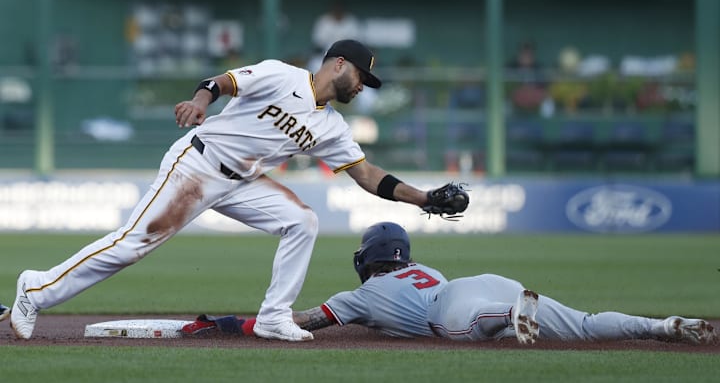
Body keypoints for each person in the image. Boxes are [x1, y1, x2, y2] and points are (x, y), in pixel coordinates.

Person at [7, 40, 467, 342]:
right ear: (339, 63)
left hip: (242, 181)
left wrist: (425, 198)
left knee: (301, 220)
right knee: (131, 246)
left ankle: (273, 317)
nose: (363, 87)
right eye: (362, 78)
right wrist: (200, 102)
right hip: (198, 163)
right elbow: (220, 82)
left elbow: (368, 175)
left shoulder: (331, 126)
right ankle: (36, 289)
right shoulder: (282, 75)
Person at [182, 222, 718, 346]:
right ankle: (662, 325)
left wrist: (233, 322)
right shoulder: (428, 269)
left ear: (365, 259)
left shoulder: (359, 296)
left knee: (463, 326)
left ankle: (512, 319)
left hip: (454, 308)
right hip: (482, 281)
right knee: (580, 323)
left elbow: (298, 324)